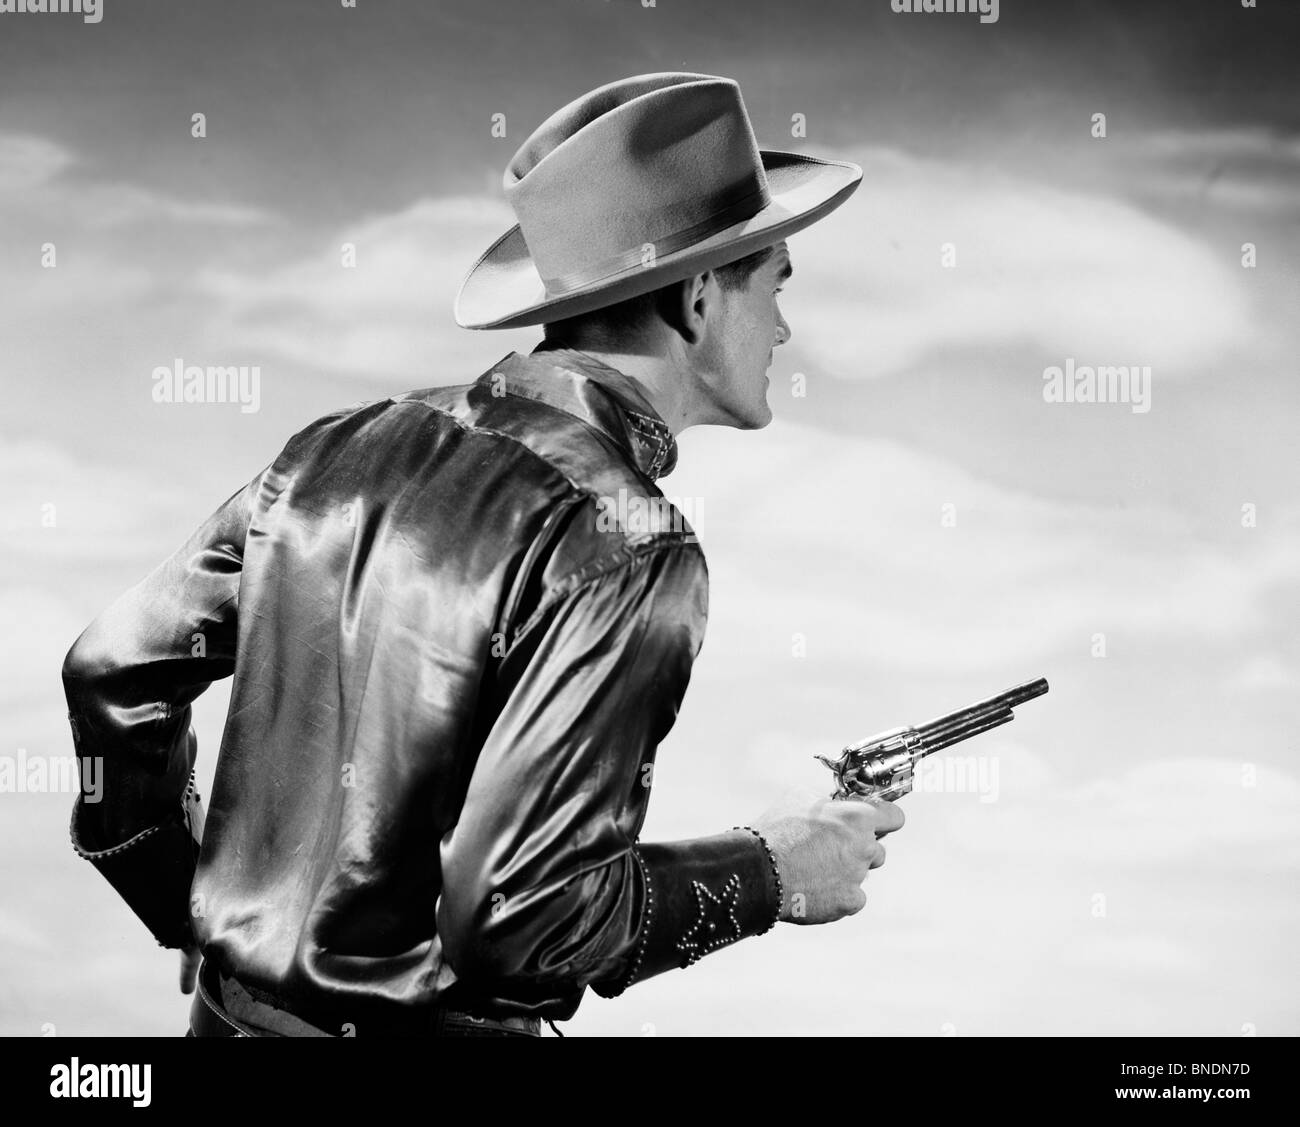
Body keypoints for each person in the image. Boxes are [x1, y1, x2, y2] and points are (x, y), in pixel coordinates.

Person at [61, 71, 904, 1038]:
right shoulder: (629, 544)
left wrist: (188, 904)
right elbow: (526, 919)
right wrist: (774, 870)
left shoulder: (338, 446)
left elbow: (111, 669)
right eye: (777, 282)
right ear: (702, 297)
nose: (788, 326)